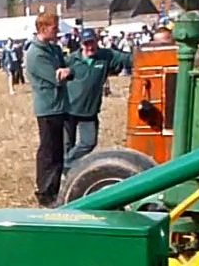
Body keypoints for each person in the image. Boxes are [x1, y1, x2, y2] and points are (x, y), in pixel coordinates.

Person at [63, 28, 133, 171]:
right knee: (66, 145)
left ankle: (66, 164)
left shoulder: (106, 56)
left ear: (97, 41)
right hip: (68, 110)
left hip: (89, 111)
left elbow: (128, 59)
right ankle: (67, 173)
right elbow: (53, 72)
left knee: (88, 142)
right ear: (81, 44)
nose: (90, 47)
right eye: (86, 44)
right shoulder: (71, 59)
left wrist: (149, 53)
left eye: (92, 43)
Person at [23, 11, 73, 207]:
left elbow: (67, 67)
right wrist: (65, 73)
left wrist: (68, 70)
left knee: (57, 153)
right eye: (54, 27)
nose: (57, 31)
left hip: (59, 106)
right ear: (43, 28)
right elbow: (56, 78)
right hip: (48, 109)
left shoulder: (53, 49)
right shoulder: (35, 54)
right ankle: (45, 193)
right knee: (48, 153)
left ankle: (54, 191)